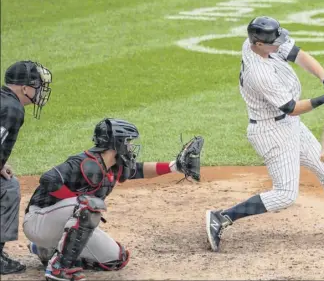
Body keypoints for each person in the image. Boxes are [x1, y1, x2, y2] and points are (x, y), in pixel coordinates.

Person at [205, 16, 324, 252]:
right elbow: (291, 108)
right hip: (271, 130)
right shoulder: (259, 73)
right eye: (274, 42)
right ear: (258, 44)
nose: (279, 44)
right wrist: (323, 99)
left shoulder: (260, 42)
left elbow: (297, 54)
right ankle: (221, 217)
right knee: (285, 195)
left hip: (287, 125)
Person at [23, 118, 203, 281]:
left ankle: (46, 250)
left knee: (116, 258)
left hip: (61, 224)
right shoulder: (83, 163)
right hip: (38, 221)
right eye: (128, 142)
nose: (131, 147)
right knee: (89, 204)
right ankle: (59, 268)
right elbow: (48, 179)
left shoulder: (112, 167)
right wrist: (78, 202)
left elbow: (139, 170)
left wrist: (174, 166)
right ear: (116, 144)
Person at [0, 60, 53, 274]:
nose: (40, 90)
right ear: (24, 88)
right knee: (8, 189)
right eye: (37, 86)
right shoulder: (13, 109)